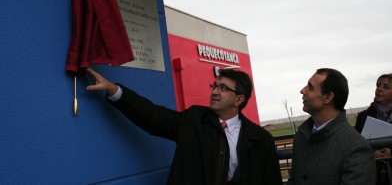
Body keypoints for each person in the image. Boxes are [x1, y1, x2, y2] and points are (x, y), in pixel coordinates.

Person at [85, 67, 282, 185]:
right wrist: (115, 91)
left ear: (239, 99)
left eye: (223, 88)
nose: (214, 92)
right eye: (214, 86)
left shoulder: (260, 139)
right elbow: (153, 116)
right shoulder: (194, 119)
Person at [287, 68, 376, 185]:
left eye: (310, 87)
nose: (302, 91)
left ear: (328, 97)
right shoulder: (301, 136)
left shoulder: (356, 148)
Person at [355, 73, 392, 185]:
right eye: (378, 85)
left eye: (386, 87)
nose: (379, 89)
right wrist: (372, 154)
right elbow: (355, 146)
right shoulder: (363, 116)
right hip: (374, 177)